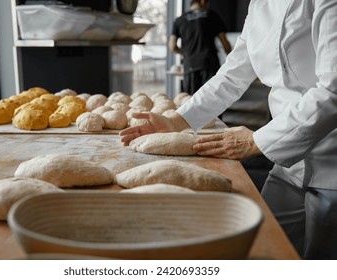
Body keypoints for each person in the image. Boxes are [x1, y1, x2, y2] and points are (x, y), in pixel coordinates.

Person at [120, 0, 337, 260]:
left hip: (331, 159)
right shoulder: (259, 5)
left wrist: (258, 140)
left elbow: (333, 88)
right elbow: (233, 75)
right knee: (264, 249)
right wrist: (178, 120)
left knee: (322, 260)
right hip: (289, 160)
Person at [169, 0, 232, 95]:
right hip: (209, 64)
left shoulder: (179, 20)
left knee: (192, 100)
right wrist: (232, 60)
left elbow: (172, 46)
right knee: (212, 100)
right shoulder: (212, 15)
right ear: (203, 1)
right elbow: (225, 42)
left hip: (190, 65)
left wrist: (185, 54)